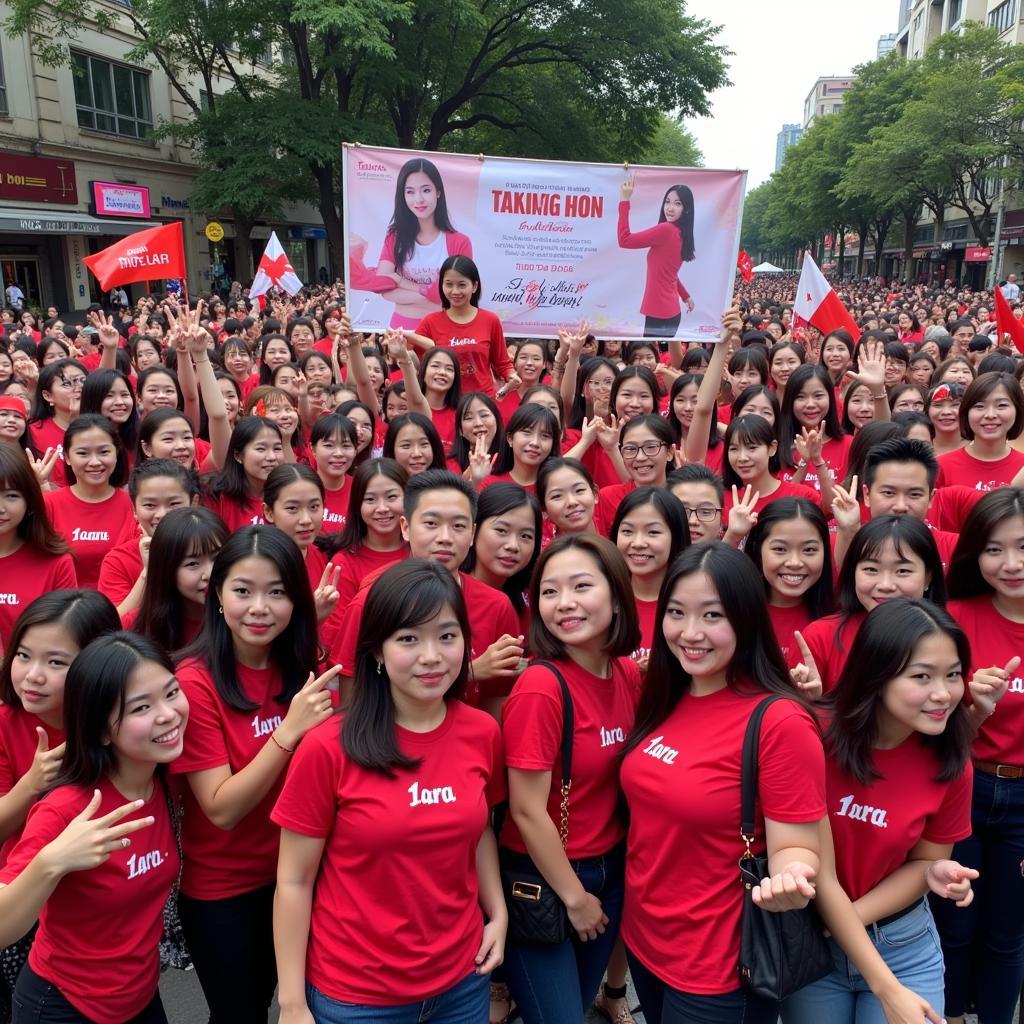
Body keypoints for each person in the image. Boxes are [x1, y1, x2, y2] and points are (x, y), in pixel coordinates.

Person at [273, 560, 505, 1022]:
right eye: (408, 639)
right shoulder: (327, 747)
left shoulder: (482, 732)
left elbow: (478, 830)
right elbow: (293, 881)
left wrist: (496, 912)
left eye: (447, 635)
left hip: (462, 981)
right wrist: (292, 1003)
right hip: (356, 996)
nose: (432, 656)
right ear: (376, 650)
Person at [618, 542, 825, 1023]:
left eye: (713, 616)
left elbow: (797, 843)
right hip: (646, 939)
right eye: (676, 613)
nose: (690, 633)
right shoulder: (664, 694)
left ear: (747, 619)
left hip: (719, 965)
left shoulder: (780, 721)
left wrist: (793, 875)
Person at [170, 526, 342, 1024]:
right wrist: (288, 732)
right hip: (227, 892)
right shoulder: (192, 681)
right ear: (218, 596)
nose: (260, 607)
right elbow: (221, 808)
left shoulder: (304, 667)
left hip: (306, 877)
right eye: (243, 591)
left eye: (278, 592)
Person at [783, 598, 976, 1024]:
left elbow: (928, 861)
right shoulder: (813, 735)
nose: (943, 693)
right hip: (813, 953)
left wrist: (850, 920)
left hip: (904, 944)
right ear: (876, 676)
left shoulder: (952, 763)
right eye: (922, 676)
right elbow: (822, 869)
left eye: (954, 675)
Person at [0, 631, 187, 1023]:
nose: (168, 714)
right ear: (101, 730)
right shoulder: (66, 809)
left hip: (140, 997)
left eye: (171, 693)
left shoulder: (166, 780)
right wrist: (54, 860)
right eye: (140, 708)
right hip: (62, 1006)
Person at [500, 535, 641, 1022]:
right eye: (550, 591)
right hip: (548, 878)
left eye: (582, 586)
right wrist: (575, 897)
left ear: (618, 597)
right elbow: (524, 809)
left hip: (610, 869)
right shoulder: (541, 685)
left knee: (577, 1005)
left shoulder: (626, 673)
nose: (565, 604)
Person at [935, 488, 1024, 1024]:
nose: (1010, 564)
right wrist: (973, 706)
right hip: (963, 787)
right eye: (994, 549)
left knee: (1006, 934)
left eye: (1023, 547)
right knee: (954, 925)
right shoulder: (954, 615)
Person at [328, 470, 522, 711]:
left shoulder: (496, 606)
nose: (445, 538)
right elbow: (351, 699)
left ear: (472, 534)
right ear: (405, 527)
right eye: (431, 524)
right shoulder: (370, 600)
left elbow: (497, 699)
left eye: (458, 526)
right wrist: (471, 670)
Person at [800, 516, 947, 695]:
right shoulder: (820, 637)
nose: (885, 585)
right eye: (871, 569)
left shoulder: (946, 637)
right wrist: (811, 703)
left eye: (903, 571)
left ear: (928, 578)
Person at [361, 157, 474, 329]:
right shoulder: (395, 237)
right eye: (410, 192)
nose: (418, 199)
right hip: (402, 329)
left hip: (445, 328)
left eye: (426, 190)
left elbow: (458, 294)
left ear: (438, 192)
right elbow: (383, 286)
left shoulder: (460, 242)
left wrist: (400, 282)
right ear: (403, 195)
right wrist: (433, 295)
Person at [405, 256, 518, 399]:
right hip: (443, 402)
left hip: (482, 402)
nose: (455, 291)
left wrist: (511, 375)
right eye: (449, 284)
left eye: (462, 285)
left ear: (475, 286)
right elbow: (412, 359)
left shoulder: (491, 320)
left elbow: (502, 362)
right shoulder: (430, 322)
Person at [98, 459, 199, 615]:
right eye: (150, 505)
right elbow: (114, 625)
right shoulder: (118, 561)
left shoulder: (210, 550)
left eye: (174, 504)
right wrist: (148, 570)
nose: (162, 514)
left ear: (193, 503)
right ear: (134, 509)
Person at [43, 415, 133, 589]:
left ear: (116, 454)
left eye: (104, 452)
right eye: (83, 453)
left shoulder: (133, 506)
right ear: (67, 457)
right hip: (65, 609)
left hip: (120, 609)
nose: (94, 462)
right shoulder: (48, 504)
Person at [0, 446, 76, 649]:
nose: (1, 508)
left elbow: (66, 638)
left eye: (11, 496)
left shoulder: (56, 563)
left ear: (29, 500)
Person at [745, 498, 834, 671]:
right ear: (758, 550)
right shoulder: (737, 612)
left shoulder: (837, 620)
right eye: (780, 549)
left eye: (809, 550)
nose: (795, 563)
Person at [318, 458, 409, 627]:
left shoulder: (422, 552)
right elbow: (336, 632)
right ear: (357, 505)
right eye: (370, 499)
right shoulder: (344, 563)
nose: (382, 508)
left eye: (392, 497)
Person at [130, 506, 228, 652]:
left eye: (217, 558)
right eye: (192, 564)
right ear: (166, 569)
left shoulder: (242, 620)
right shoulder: (140, 625)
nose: (209, 574)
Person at [611, 486, 688, 669]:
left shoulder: (692, 604)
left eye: (653, 532)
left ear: (675, 536)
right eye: (627, 531)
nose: (637, 543)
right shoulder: (604, 598)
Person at [616, 175, 695, 338]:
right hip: (670, 312)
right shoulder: (681, 233)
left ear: (686, 209)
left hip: (660, 315)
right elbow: (669, 274)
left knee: (650, 361)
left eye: (677, 203)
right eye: (667, 201)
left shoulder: (666, 230)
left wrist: (624, 200)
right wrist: (685, 296)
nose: (670, 208)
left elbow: (624, 240)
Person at [935, 372, 1024, 491]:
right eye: (980, 406)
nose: (990, 415)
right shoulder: (941, 467)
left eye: (1001, 405)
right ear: (966, 412)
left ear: (1017, 410)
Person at [201, 417, 285, 532]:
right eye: (261, 449)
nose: (272, 457)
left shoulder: (290, 495)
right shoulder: (216, 497)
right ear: (238, 455)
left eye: (277, 448)